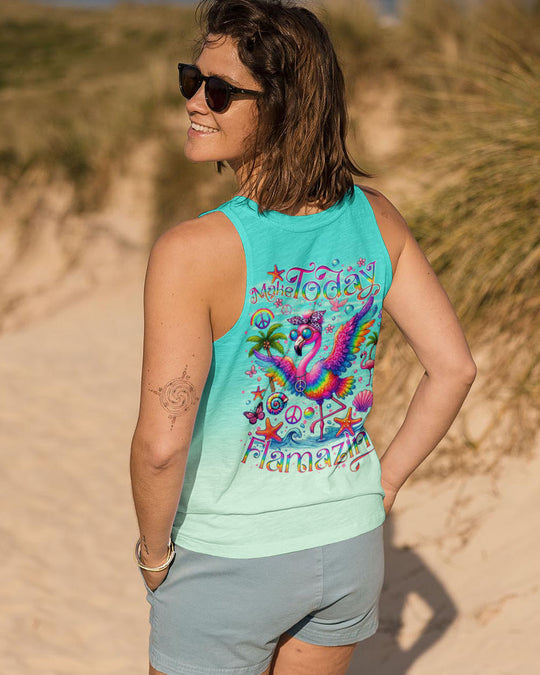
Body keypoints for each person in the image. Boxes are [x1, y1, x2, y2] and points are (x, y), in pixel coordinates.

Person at [130, 1, 477, 674]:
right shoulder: (377, 218)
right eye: (190, 79)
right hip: (348, 548)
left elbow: (162, 445)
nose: (195, 101)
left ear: (283, 108)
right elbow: (454, 367)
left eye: (220, 91)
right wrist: (383, 485)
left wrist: (153, 553)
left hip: (225, 556)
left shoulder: (191, 250)